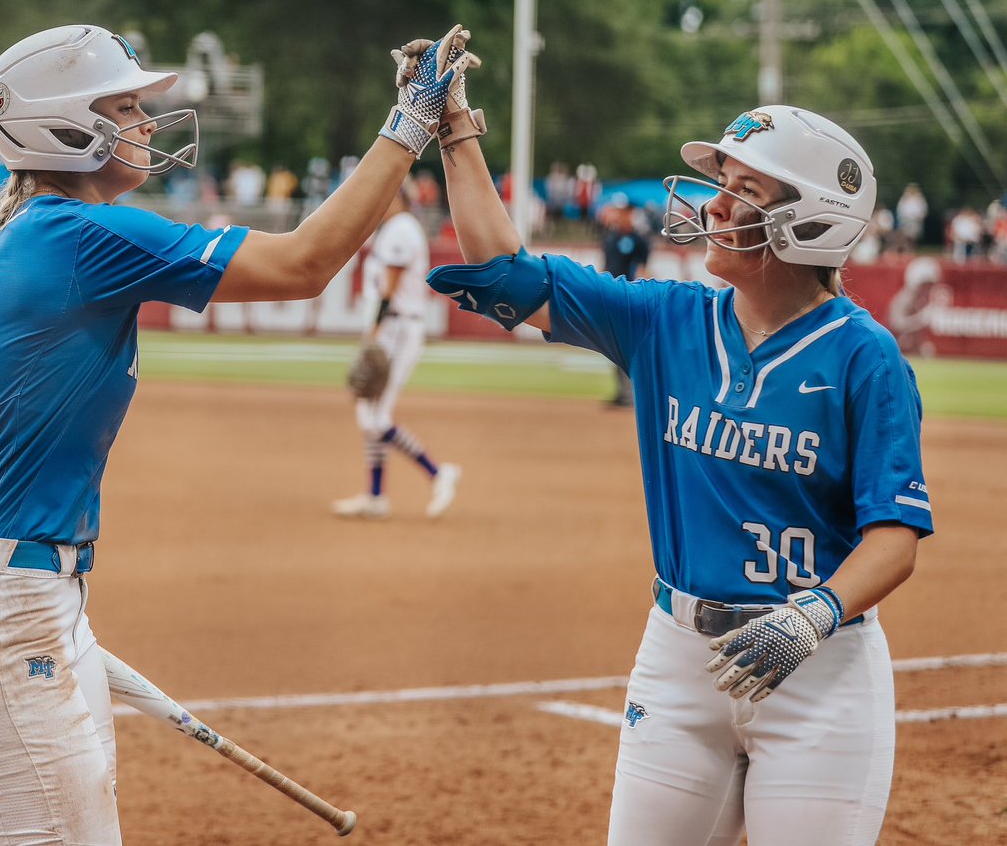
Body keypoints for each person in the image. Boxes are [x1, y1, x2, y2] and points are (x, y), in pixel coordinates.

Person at [0, 22, 474, 845]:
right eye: (124, 106)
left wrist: (39, 593)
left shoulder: (1, 240)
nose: (146, 121)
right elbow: (304, 263)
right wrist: (409, 122)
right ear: (64, 127)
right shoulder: (84, 234)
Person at [427, 93, 931, 845]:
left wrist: (810, 616)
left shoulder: (866, 357)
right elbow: (508, 271)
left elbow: (894, 537)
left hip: (818, 670)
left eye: (743, 190)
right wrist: (454, 132)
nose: (715, 204)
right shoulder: (666, 319)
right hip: (678, 659)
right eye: (721, 182)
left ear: (809, 220)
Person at [331, 183, 461, 520]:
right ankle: (376, 496)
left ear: (399, 198)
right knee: (369, 415)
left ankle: (438, 473)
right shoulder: (393, 228)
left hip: (398, 328)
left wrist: (373, 334)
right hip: (392, 327)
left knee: (375, 418)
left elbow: (389, 287)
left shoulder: (401, 228)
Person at [597, 194, 651, 407]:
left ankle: (632, 394)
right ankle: (623, 392)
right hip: (610, 297)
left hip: (629, 297)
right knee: (614, 346)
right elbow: (605, 267)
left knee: (628, 346)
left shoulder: (638, 240)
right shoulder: (610, 238)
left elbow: (643, 270)